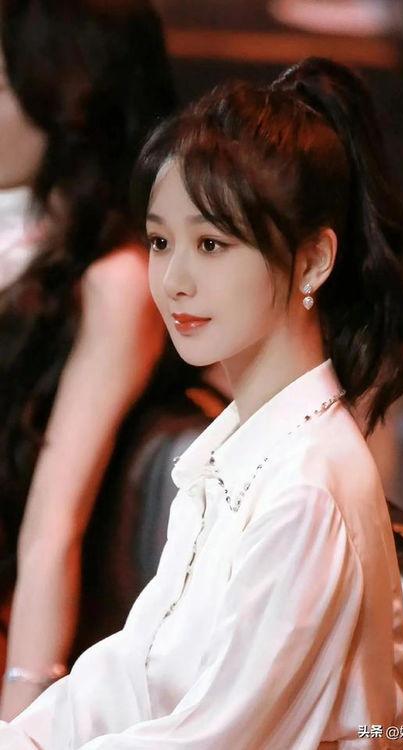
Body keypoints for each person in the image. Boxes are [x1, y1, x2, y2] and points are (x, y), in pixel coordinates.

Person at [0, 56, 403, 748]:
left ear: (313, 261)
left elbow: (214, 737)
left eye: (210, 244)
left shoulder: (305, 489)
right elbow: (134, 670)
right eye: (160, 241)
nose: (173, 279)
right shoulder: (234, 449)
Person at [0, 0, 175, 720]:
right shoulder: (25, 235)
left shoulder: (118, 281)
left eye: (0, 82)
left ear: (68, 97)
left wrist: (19, 713)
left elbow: (52, 529)